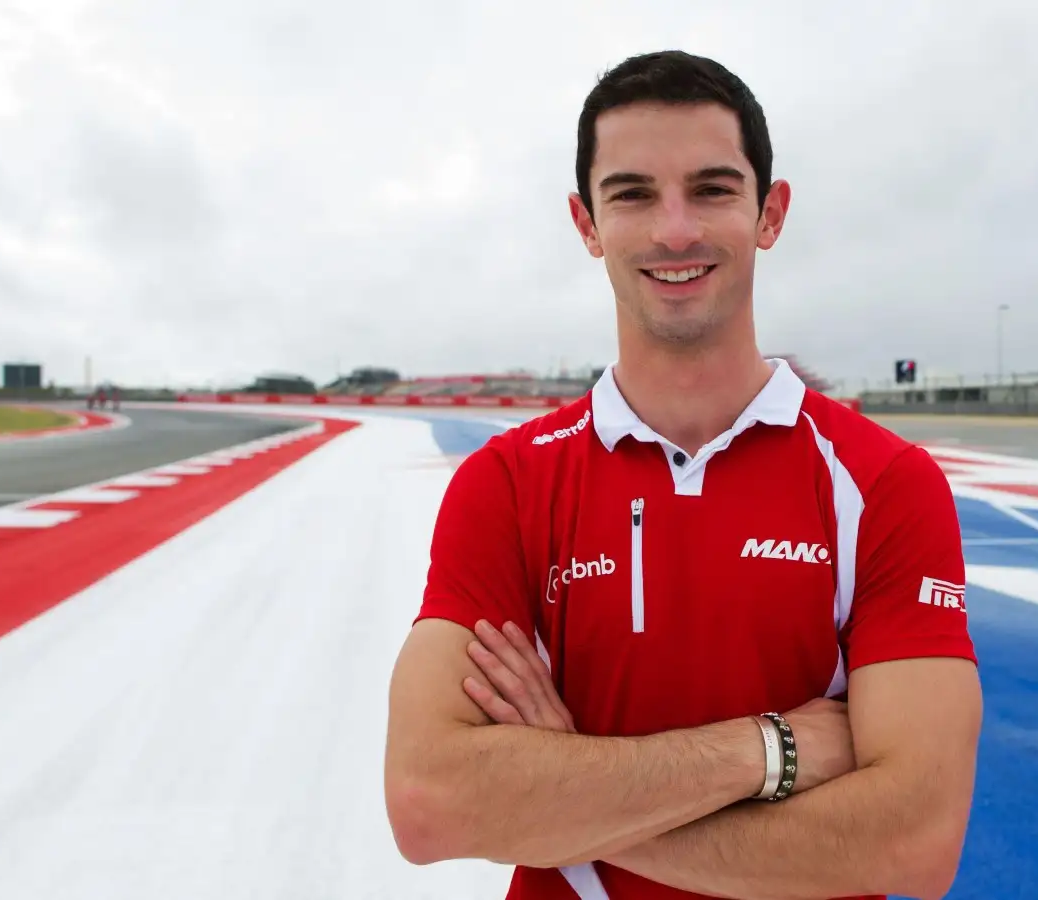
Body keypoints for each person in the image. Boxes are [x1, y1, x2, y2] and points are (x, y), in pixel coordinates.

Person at [384, 50, 982, 900]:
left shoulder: (884, 483)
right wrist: (768, 750)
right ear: (586, 224)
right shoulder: (506, 485)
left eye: (711, 189)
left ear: (769, 213)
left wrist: (561, 789)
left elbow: (915, 841)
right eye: (632, 194)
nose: (674, 230)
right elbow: (429, 803)